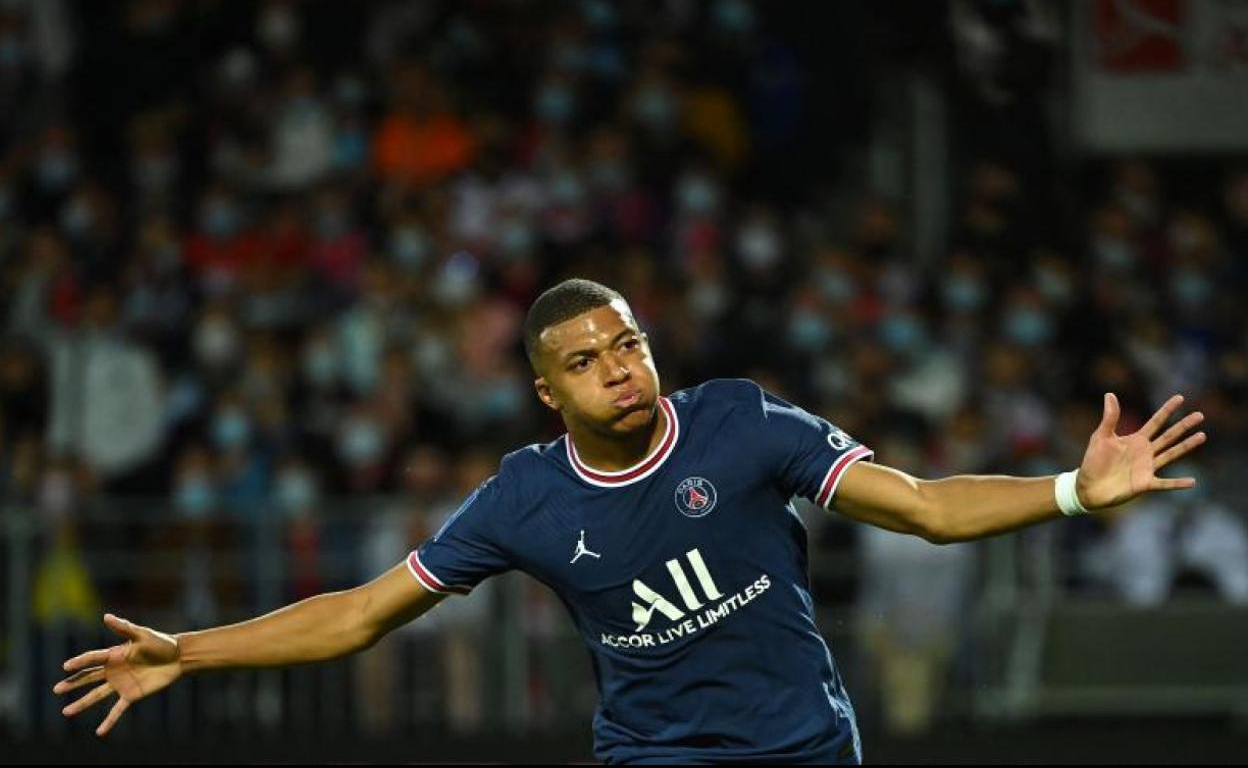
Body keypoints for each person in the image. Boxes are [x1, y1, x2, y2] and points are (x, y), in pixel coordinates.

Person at [54, 279, 1207, 763]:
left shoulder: (740, 420)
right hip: (659, 754)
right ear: (546, 392)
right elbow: (360, 614)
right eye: (585, 359)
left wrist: (1071, 489)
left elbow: (923, 506)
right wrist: (186, 651)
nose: (618, 366)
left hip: (807, 743)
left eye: (630, 342)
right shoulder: (523, 497)